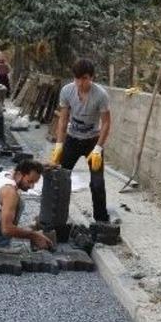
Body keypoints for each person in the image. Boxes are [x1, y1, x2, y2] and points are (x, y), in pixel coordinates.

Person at [50, 58, 111, 223]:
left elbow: (106, 123)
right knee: (60, 178)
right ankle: (55, 216)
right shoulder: (67, 91)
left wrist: (99, 148)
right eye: (77, 78)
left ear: (91, 77)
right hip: (72, 139)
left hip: (93, 142)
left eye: (84, 78)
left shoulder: (100, 95)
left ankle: (101, 220)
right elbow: (63, 120)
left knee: (97, 184)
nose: (80, 82)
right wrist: (59, 145)